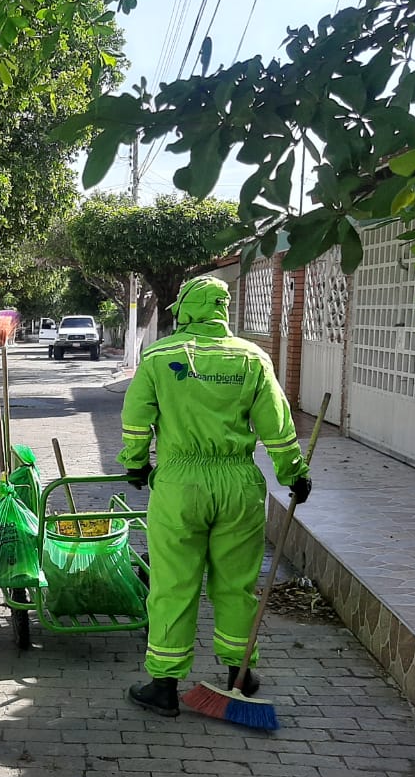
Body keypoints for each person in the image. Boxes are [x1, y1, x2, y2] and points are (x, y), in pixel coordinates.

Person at [118, 277, 311, 717]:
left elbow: (136, 418)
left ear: (184, 309)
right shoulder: (252, 358)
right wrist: (294, 474)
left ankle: (164, 685)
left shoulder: (161, 356)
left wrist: (135, 464)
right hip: (238, 485)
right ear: (224, 309)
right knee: (237, 585)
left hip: (179, 485)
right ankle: (239, 674)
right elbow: (278, 427)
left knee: (172, 585)